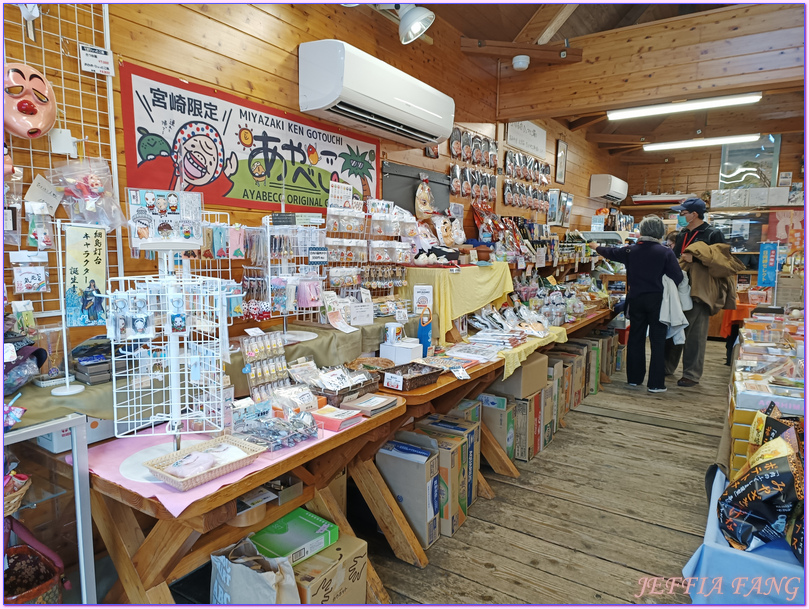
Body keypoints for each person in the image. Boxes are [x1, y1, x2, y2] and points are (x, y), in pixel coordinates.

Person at [590, 215, 682, 393]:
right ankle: (656, 384)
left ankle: (634, 378)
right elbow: (677, 277)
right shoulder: (666, 252)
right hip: (658, 300)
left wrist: (595, 246)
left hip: (635, 299)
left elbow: (609, 252)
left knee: (636, 337)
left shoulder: (631, 251)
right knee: (658, 341)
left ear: (643, 231)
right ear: (660, 233)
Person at [664, 197, 726, 387]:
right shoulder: (682, 234)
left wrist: (697, 259)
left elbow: (723, 262)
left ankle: (691, 374)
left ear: (694, 214)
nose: (680, 216)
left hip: (700, 290)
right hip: (679, 288)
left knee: (695, 334)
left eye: (682, 213)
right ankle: (667, 367)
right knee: (674, 326)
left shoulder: (713, 234)